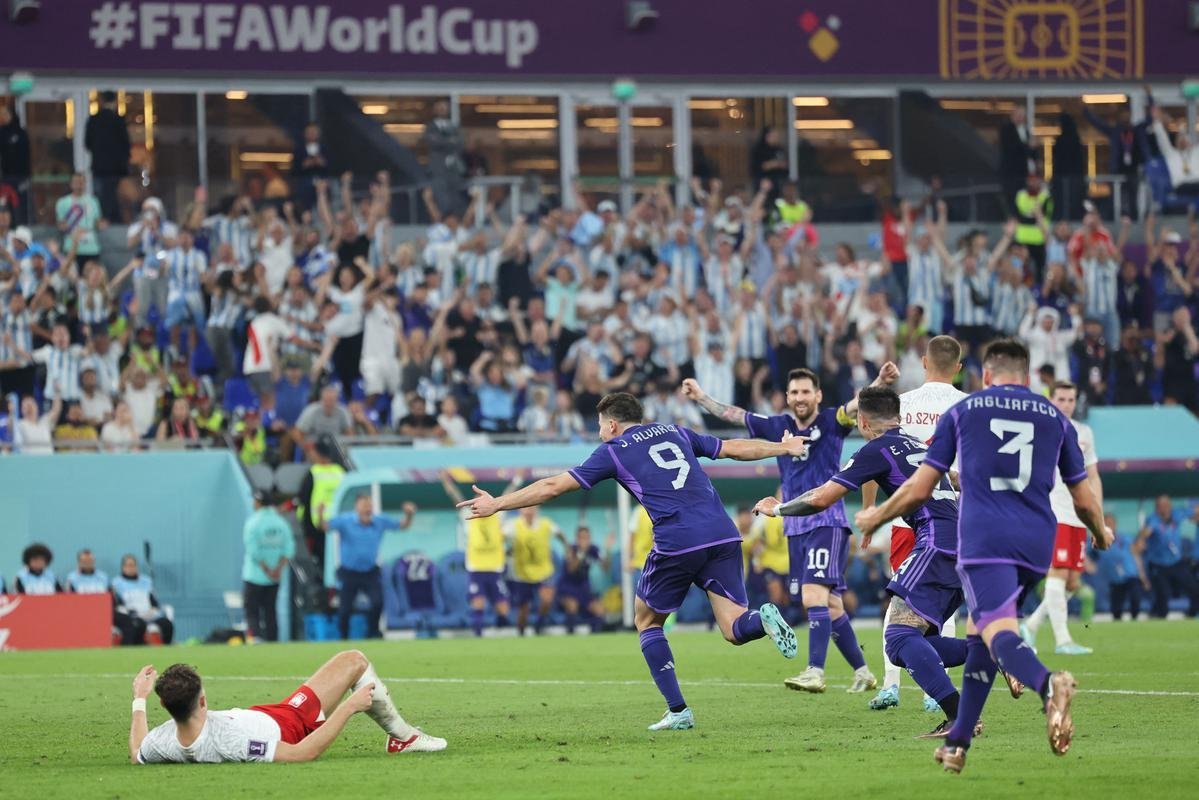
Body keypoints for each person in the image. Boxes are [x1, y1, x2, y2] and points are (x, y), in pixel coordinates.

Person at [456, 392, 804, 731]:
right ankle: (762, 620)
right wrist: (782, 448)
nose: (599, 432)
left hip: (678, 540)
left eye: (599, 425)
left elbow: (552, 486)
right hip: (723, 533)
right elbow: (732, 449)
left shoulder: (614, 450)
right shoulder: (675, 431)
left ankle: (679, 711)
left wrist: (498, 503)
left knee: (647, 622)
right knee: (733, 628)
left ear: (611, 425)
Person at [855, 338, 1111, 774]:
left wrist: (877, 514)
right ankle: (957, 742)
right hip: (1037, 539)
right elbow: (1083, 497)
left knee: (992, 633)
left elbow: (921, 486)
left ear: (986, 376)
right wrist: (1100, 531)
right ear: (1027, 378)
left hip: (984, 536)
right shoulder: (1057, 418)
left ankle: (1049, 684)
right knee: (981, 637)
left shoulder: (965, 412)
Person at [754, 387, 973, 738]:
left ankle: (960, 716)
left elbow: (823, 497)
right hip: (962, 545)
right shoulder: (920, 446)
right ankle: (992, 653)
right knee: (922, 643)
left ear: (863, 421)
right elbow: (956, 479)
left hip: (935, 542)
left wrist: (777, 508)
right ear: (897, 417)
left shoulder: (876, 449)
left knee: (899, 638)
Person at [681, 365, 898, 694]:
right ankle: (863, 671)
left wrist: (880, 383)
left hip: (827, 521)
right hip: (795, 528)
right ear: (787, 397)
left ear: (818, 395)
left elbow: (857, 406)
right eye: (794, 392)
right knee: (831, 605)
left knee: (813, 596)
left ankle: (815, 671)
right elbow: (736, 416)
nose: (800, 397)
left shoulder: (831, 421)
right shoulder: (777, 426)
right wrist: (700, 398)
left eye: (806, 391)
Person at [866, 335, 966, 712]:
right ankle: (932, 689)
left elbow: (879, 462)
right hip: (954, 516)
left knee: (899, 607)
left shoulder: (902, 404)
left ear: (924, 362)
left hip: (908, 520)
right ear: (958, 367)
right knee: (943, 608)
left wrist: (873, 515)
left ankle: (892, 685)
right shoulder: (968, 407)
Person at [129, 650, 446, 763]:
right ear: (202, 700)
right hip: (289, 725)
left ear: (165, 705)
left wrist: (138, 699)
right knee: (354, 661)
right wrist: (349, 708)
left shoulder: (166, 739)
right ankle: (403, 737)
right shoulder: (228, 740)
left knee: (350, 663)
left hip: (271, 714)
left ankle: (402, 737)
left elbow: (138, 751)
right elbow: (301, 754)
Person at [1022, 381, 1103, 654]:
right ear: (1051, 399)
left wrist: (1098, 516)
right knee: (1056, 572)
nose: (1067, 404)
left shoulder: (1084, 432)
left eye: (1071, 399)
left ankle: (1031, 626)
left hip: (1079, 513)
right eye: (1062, 398)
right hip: (1054, 511)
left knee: (1072, 582)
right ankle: (1063, 640)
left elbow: (1092, 476)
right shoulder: (1041, 428)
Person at [317, 492, 417, 640]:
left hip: (370, 572)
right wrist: (320, 515)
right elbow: (324, 527)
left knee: (378, 602)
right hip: (349, 572)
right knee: (345, 609)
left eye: (369, 505)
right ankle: (343, 637)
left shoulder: (379, 521)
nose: (367, 509)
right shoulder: (345, 521)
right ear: (356, 507)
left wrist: (409, 515)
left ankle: (373, 633)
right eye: (364, 505)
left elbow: (403, 526)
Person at [439, 469, 522, 636]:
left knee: (503, 609)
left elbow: (508, 495)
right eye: (476, 502)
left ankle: (501, 627)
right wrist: (446, 482)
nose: (478, 504)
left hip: (495, 568)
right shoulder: (468, 516)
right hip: (476, 568)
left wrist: (517, 480)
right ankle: (478, 637)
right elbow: (456, 498)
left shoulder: (497, 516)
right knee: (478, 604)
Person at [243, 491, 296, 643]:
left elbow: (253, 550)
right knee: (270, 610)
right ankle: (273, 641)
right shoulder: (281, 522)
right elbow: (289, 549)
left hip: (254, 575)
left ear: (258, 503)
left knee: (251, 610)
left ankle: (255, 639)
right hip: (275, 577)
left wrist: (266, 569)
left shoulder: (253, 522)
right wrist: (277, 570)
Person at [1136, 495, 1199, 618]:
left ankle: (1191, 615)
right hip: (1159, 565)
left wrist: (1195, 516)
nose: (1164, 508)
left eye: (1167, 505)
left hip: (1176, 562)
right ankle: (1159, 617)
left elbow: (1195, 510)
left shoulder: (1176, 514)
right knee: (1163, 594)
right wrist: (1142, 539)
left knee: (1194, 588)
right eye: (1161, 506)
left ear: (1170, 506)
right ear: (1157, 508)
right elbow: (1146, 532)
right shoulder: (1153, 519)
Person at [504, 500, 558, 636]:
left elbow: (559, 534)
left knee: (547, 600)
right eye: (526, 508)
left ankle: (539, 626)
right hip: (522, 574)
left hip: (543, 571)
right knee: (524, 609)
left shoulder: (546, 524)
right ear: (520, 510)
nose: (529, 511)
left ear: (537, 508)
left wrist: (567, 547)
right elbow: (500, 538)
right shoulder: (513, 526)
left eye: (532, 507)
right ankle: (521, 632)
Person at [556, 526, 614, 634]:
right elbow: (571, 569)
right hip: (567, 589)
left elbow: (605, 568)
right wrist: (581, 552)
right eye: (581, 538)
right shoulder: (571, 549)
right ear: (577, 539)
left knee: (600, 610)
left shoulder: (593, 549)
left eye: (586, 538)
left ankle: (594, 638)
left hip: (583, 590)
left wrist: (608, 549)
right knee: (573, 606)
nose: (584, 540)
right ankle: (570, 636)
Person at [85, 91, 131, 223]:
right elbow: (125, 145)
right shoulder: (119, 120)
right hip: (116, 169)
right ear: (115, 101)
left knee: (101, 197)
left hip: (99, 168)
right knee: (114, 196)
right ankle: (113, 220)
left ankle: (102, 220)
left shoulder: (94, 120)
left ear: (102, 101)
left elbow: (87, 143)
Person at [112, 554, 174, 645]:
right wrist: (132, 613)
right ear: (123, 567)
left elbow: (154, 602)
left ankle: (165, 649)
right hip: (133, 616)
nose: (131, 568)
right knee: (137, 625)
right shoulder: (116, 583)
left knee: (167, 624)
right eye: (128, 565)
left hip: (149, 615)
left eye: (133, 565)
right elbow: (118, 604)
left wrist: (153, 610)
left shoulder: (146, 581)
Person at [1095, 513, 1144, 621]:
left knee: (1135, 597)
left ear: (1115, 524)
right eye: (1106, 524)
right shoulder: (1097, 541)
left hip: (1130, 574)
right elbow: (1087, 554)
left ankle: (1135, 619)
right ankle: (1118, 621)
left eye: (1111, 523)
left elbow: (1135, 553)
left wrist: (1142, 575)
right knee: (1116, 610)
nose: (1109, 526)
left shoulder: (1125, 538)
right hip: (1115, 579)